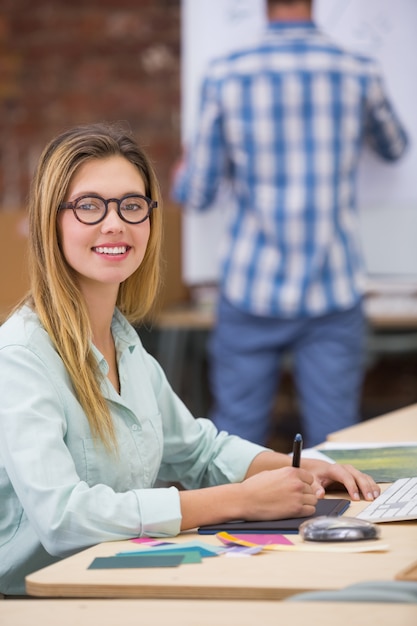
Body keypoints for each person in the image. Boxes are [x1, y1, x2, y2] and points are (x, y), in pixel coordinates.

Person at [0, 122, 380, 597]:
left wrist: (294, 466)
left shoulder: (127, 346)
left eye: (132, 205)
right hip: (32, 601)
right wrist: (237, 500)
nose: (115, 222)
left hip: (112, 579)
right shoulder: (19, 358)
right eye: (89, 206)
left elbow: (199, 451)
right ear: (49, 220)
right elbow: (63, 520)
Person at [171, 0, 409, 448]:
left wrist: (183, 172)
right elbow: (395, 147)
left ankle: (240, 518)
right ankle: (338, 520)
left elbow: (197, 194)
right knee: (336, 443)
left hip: (249, 286)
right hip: (332, 285)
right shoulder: (357, 70)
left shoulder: (225, 73)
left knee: (236, 444)